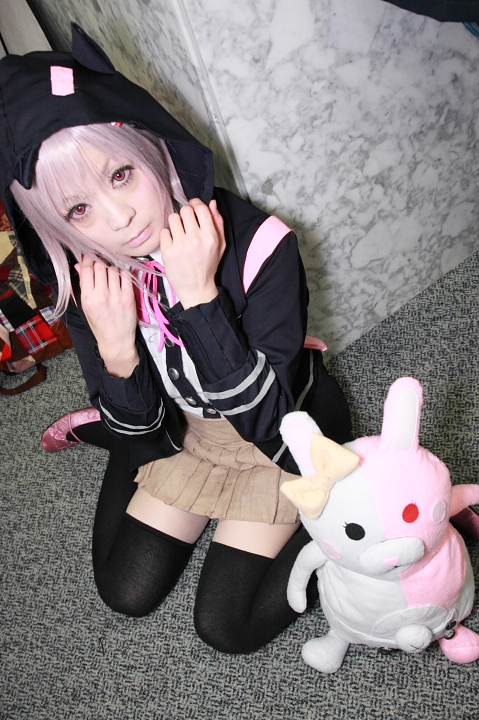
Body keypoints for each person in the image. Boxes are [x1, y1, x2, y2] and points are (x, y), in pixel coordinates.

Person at [0, 24, 353, 653]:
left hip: (278, 429)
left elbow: (268, 420)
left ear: (150, 143)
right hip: (181, 428)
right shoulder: (89, 278)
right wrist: (117, 352)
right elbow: (143, 437)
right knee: (125, 591)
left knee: (225, 627)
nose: (120, 219)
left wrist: (200, 302)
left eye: (120, 174)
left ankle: (351, 509)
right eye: (78, 210)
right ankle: (103, 428)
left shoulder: (262, 244)